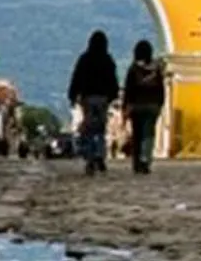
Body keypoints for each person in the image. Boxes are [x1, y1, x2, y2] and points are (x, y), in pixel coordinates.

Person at [67, 30, 119, 176]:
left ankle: (90, 157)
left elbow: (76, 77)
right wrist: (113, 95)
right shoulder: (107, 59)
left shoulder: (84, 59)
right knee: (101, 128)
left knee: (89, 127)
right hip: (103, 98)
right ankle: (100, 155)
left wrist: (72, 95)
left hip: (88, 98)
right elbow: (113, 79)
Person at [122, 39, 167, 174]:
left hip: (137, 106)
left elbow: (128, 89)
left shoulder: (133, 68)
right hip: (152, 106)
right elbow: (161, 88)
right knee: (149, 134)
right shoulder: (156, 69)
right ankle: (145, 159)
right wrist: (160, 103)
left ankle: (136, 163)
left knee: (137, 134)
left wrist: (125, 106)